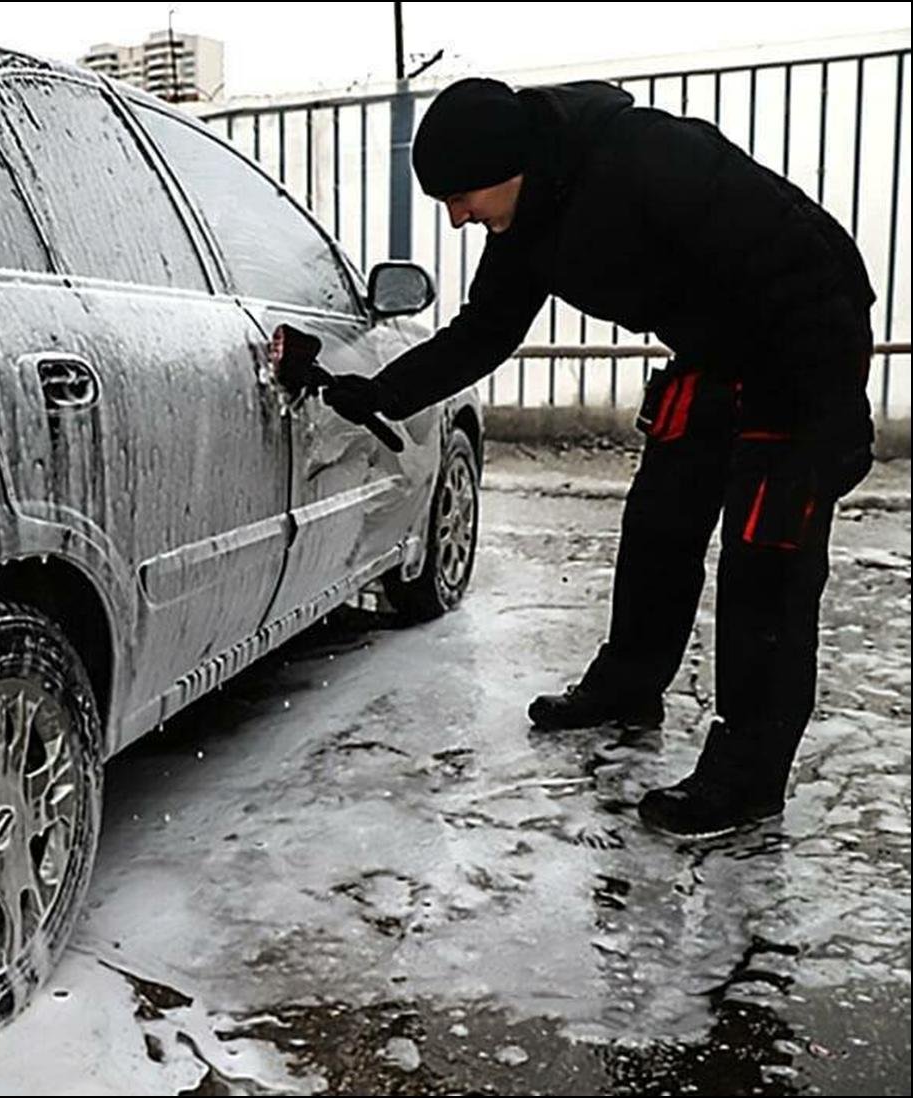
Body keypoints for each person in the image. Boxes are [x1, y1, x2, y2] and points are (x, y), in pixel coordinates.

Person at [311, 77, 876, 838]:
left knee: (765, 562)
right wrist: (381, 392)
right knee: (659, 524)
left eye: (462, 195)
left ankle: (748, 773)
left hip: (803, 337)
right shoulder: (529, 217)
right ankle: (628, 685)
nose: (456, 216)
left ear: (506, 161)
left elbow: (803, 267)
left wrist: (833, 410)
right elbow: (486, 331)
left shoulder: (647, 156)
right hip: (715, 350)